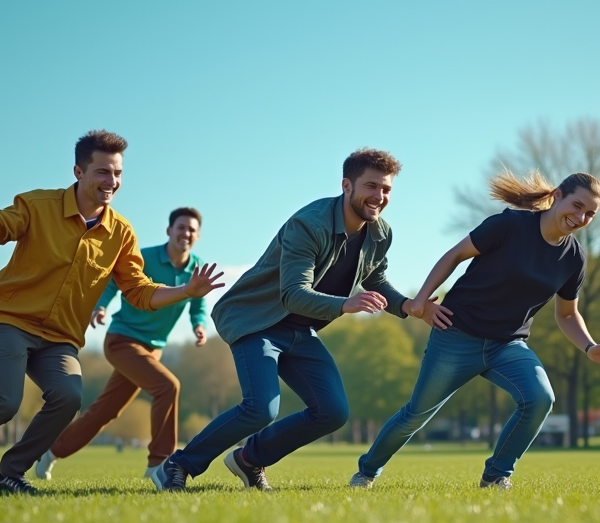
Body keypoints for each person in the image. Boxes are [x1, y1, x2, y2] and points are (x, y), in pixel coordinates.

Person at [0, 130, 223, 496]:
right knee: (4, 401)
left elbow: (139, 291)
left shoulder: (121, 233)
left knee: (68, 395)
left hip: (59, 338)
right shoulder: (39, 205)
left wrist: (186, 292)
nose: (111, 182)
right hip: (8, 319)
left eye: (117, 174)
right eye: (102, 172)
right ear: (79, 172)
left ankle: (9, 475)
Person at [155, 147, 421, 491]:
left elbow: (376, 278)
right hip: (256, 320)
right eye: (371, 186)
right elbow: (293, 293)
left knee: (332, 411)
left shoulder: (380, 233)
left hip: (301, 327)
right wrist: (345, 304)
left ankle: (249, 460)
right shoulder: (308, 225)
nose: (379, 197)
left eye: (386, 190)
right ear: (347, 185)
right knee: (260, 409)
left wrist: (409, 306)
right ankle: (178, 465)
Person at [351, 171, 600, 490]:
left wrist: (590, 347)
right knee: (417, 414)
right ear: (557, 196)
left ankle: (496, 475)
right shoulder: (510, 225)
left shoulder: (574, 258)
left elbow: (567, 314)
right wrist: (419, 300)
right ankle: (367, 471)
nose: (580, 217)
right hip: (456, 334)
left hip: (508, 346)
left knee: (540, 398)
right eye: (577, 205)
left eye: (590, 213)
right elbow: (455, 255)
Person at [34, 207, 210, 485]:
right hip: (122, 340)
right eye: (180, 227)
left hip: (152, 350)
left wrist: (199, 325)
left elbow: (198, 303)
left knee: (105, 411)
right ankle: (159, 464)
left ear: (197, 236)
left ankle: (51, 452)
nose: (185, 233)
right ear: (169, 231)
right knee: (168, 386)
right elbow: (114, 282)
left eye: (191, 229)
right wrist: (101, 306)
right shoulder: (146, 257)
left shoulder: (196, 269)